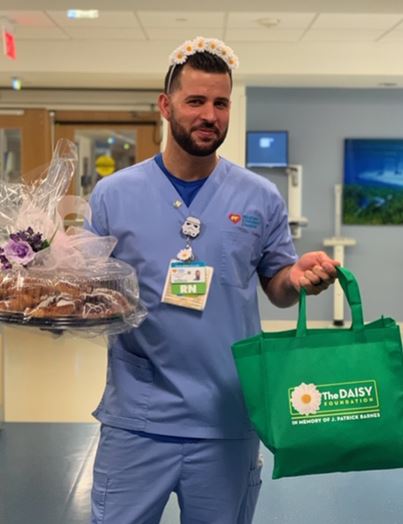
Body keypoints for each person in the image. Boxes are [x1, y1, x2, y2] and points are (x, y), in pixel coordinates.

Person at [88, 36, 339, 524]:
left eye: (220, 103)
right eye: (195, 101)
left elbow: (277, 286)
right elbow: (87, 290)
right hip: (138, 420)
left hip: (227, 417)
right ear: (166, 106)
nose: (210, 114)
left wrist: (299, 277)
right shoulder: (114, 196)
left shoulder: (259, 197)